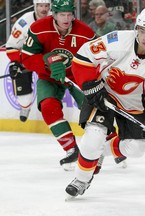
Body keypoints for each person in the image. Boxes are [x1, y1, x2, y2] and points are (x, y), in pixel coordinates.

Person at [65, 6, 145, 198]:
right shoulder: (117, 39)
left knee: (137, 147)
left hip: (134, 104)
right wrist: (91, 84)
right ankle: (81, 180)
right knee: (93, 137)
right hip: (103, 94)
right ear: (136, 28)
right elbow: (85, 56)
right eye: (142, 30)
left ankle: (101, 153)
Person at [19, 0, 96, 170]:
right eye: (62, 14)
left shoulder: (85, 33)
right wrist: (47, 62)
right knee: (48, 107)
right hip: (49, 77)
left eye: (69, 14)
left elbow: (97, 58)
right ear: (53, 14)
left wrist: (84, 73)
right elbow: (27, 58)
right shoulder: (38, 28)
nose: (66, 18)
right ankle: (71, 149)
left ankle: (105, 147)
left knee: (92, 109)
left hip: (77, 76)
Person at [6, 0, 51, 122]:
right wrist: (19, 62)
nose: (44, 9)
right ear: (35, 6)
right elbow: (11, 47)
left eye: (46, 6)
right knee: (18, 74)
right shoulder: (24, 22)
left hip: (47, 57)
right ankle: (25, 106)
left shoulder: (56, 19)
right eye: (41, 6)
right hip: (26, 56)